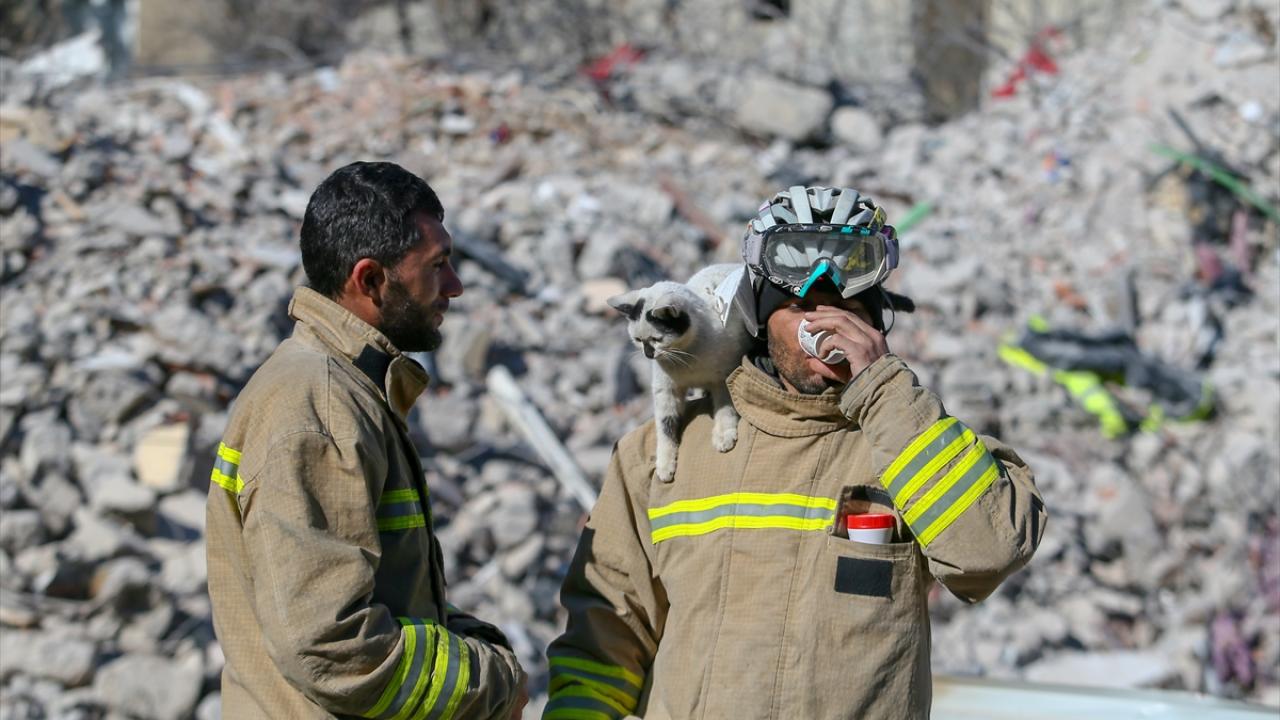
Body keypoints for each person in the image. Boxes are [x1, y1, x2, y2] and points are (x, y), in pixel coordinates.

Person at [543, 186, 1047, 720]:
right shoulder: (659, 456)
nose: (826, 323)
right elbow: (602, 644)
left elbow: (988, 553)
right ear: (757, 315)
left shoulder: (912, 442)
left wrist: (882, 389)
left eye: (849, 308)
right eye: (801, 306)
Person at [207, 161, 528, 719]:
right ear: (371, 280)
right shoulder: (321, 403)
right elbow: (334, 648)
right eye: (438, 266)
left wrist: (471, 638)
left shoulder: (345, 388)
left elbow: (376, 596)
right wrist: (491, 680)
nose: (455, 286)